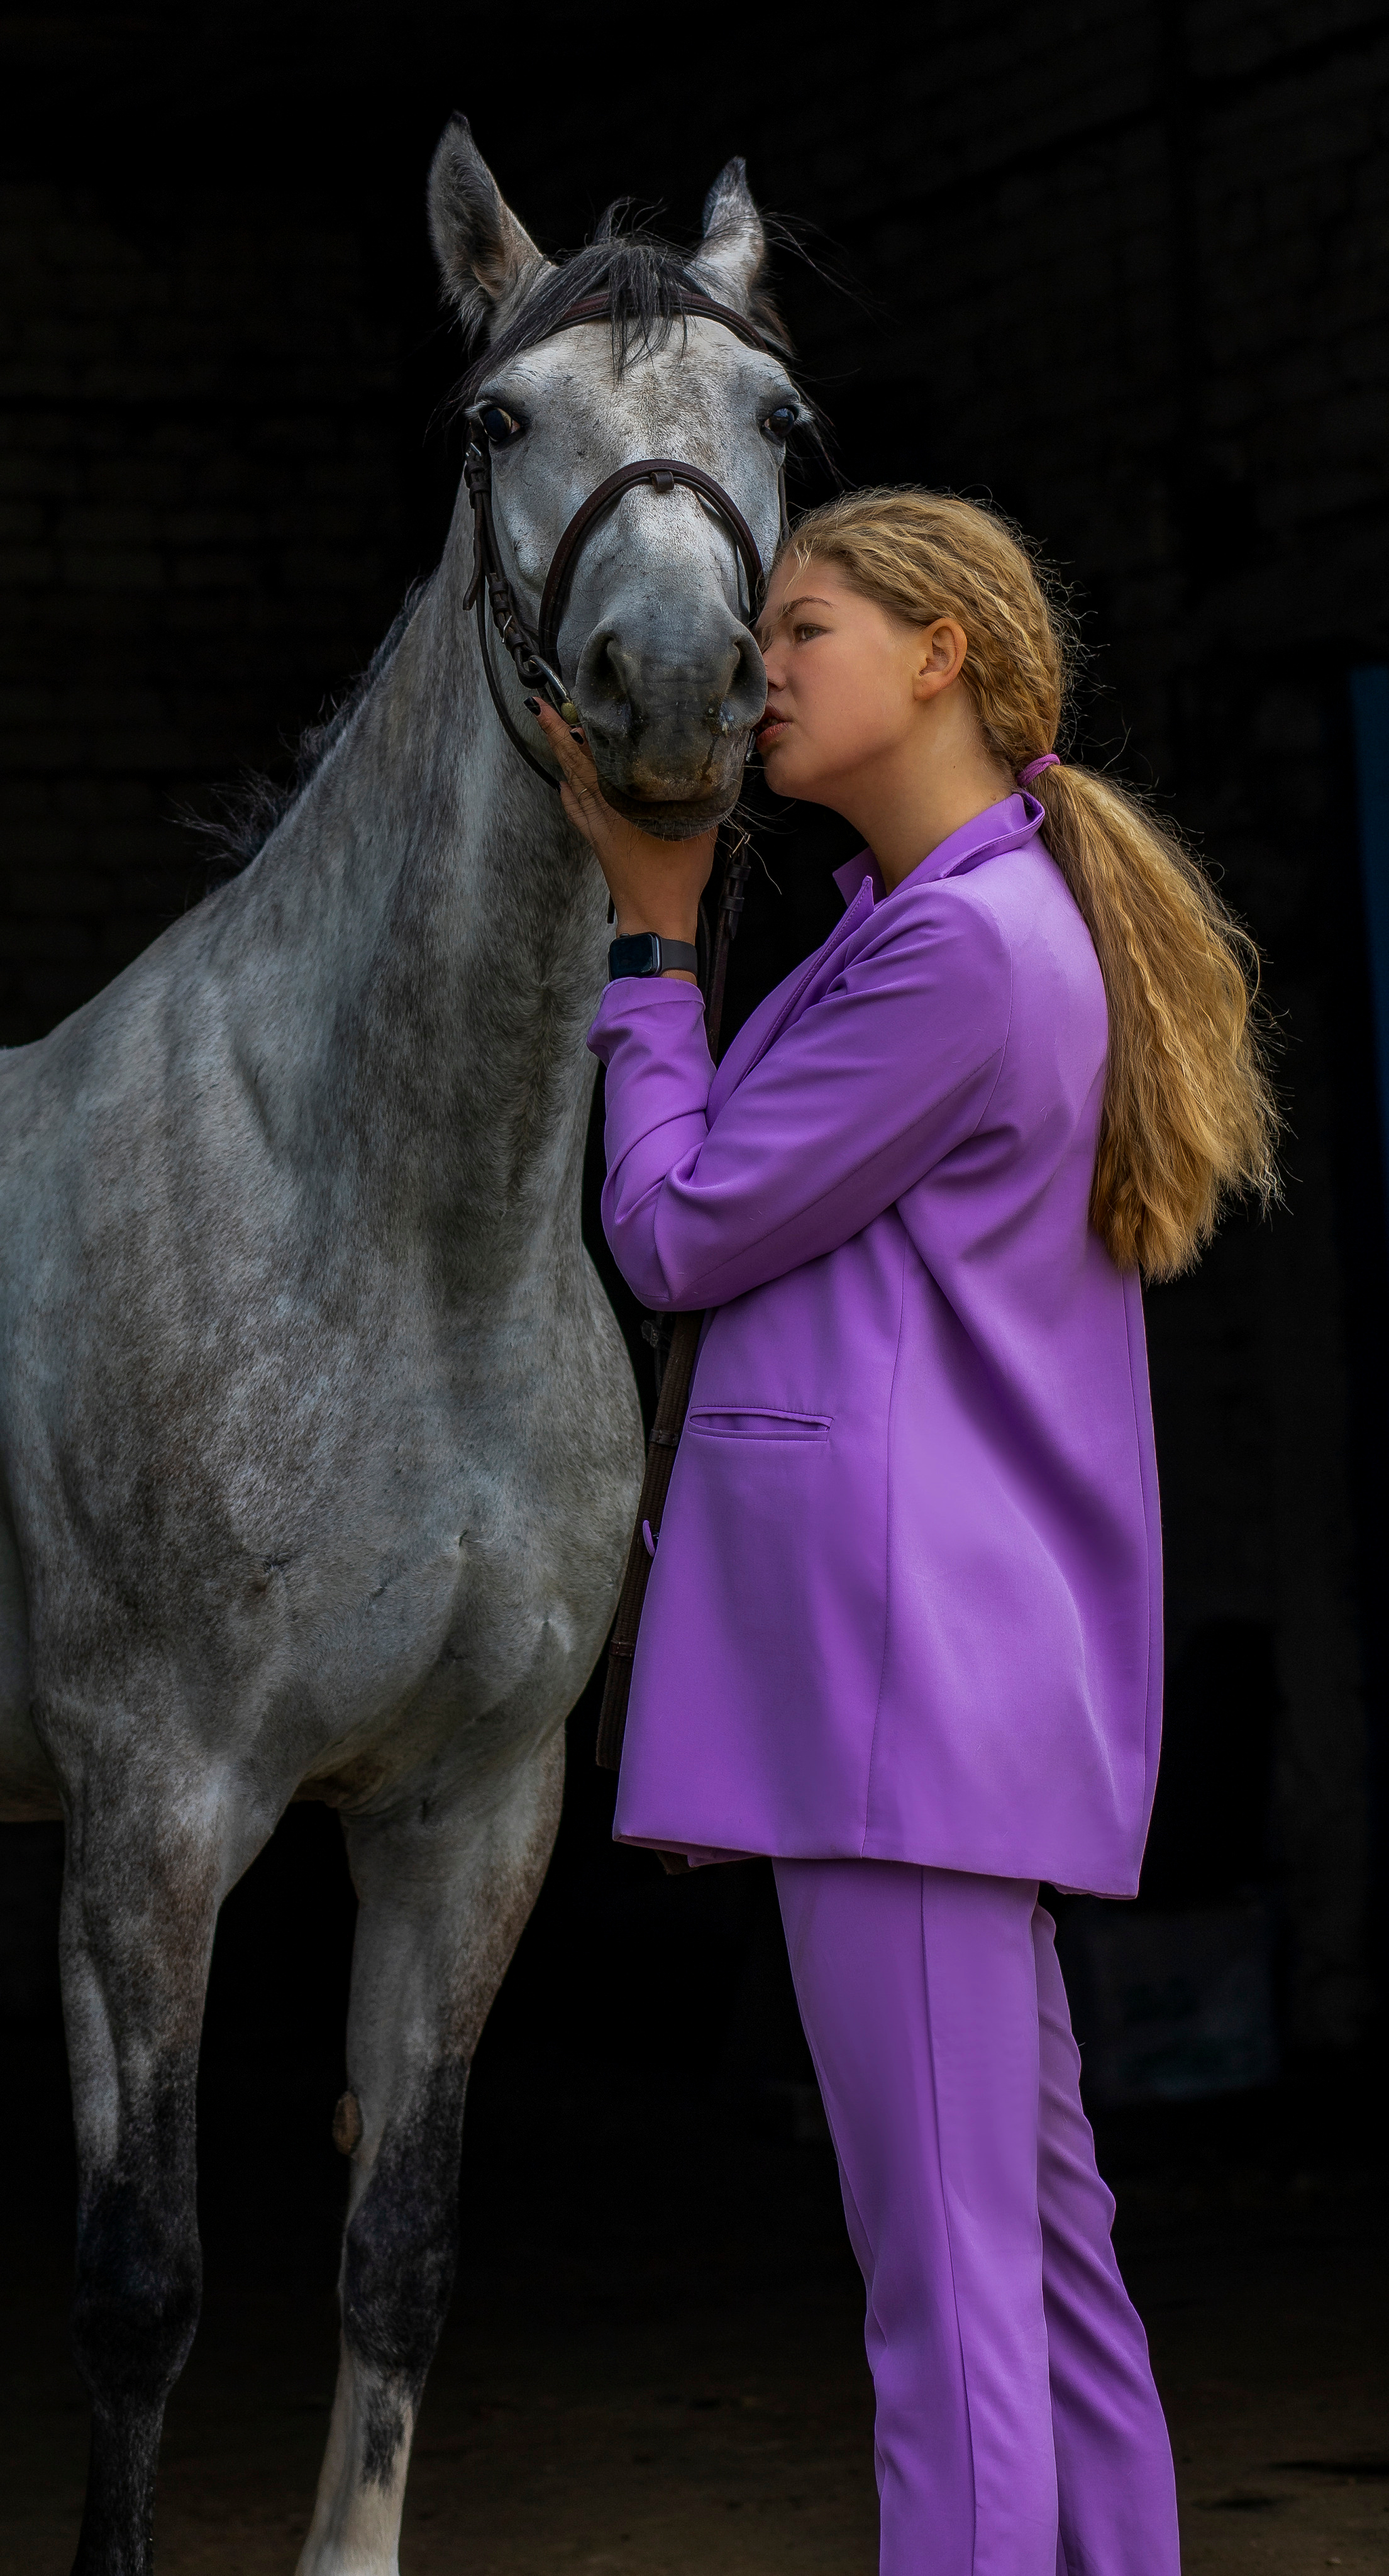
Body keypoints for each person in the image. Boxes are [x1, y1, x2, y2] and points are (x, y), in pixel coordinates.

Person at [533, 488, 1276, 2576]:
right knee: (1036, 2267)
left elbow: (675, 1230)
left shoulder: (951, 944)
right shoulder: (951, 913)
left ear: (939, 653)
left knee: (943, 2301)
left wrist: (653, 947)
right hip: (940, 1689)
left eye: (806, 620)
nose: (762, 662)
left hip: (893, 1696)